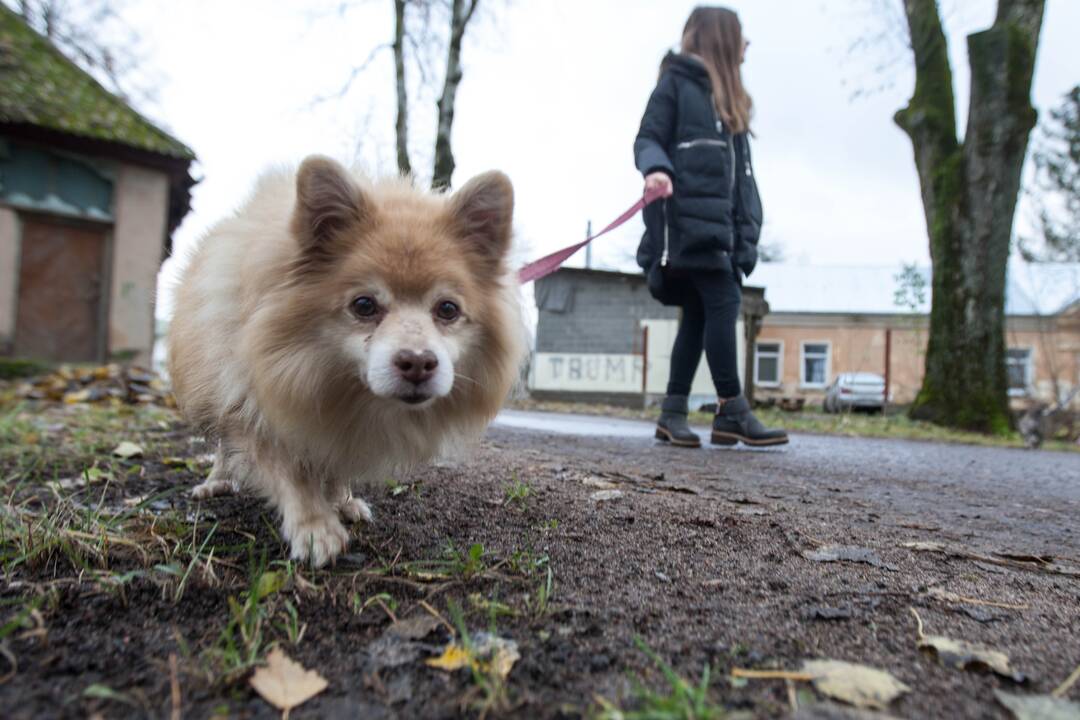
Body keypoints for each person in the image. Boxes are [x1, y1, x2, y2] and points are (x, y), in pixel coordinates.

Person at [634, 5, 787, 448]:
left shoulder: (730, 104)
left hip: (721, 230)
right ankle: (732, 409)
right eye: (741, 36)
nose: (747, 46)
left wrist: (746, 233)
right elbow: (647, 138)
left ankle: (673, 412)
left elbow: (742, 180)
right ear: (720, 38)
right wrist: (656, 169)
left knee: (699, 317)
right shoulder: (676, 84)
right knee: (724, 302)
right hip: (687, 226)